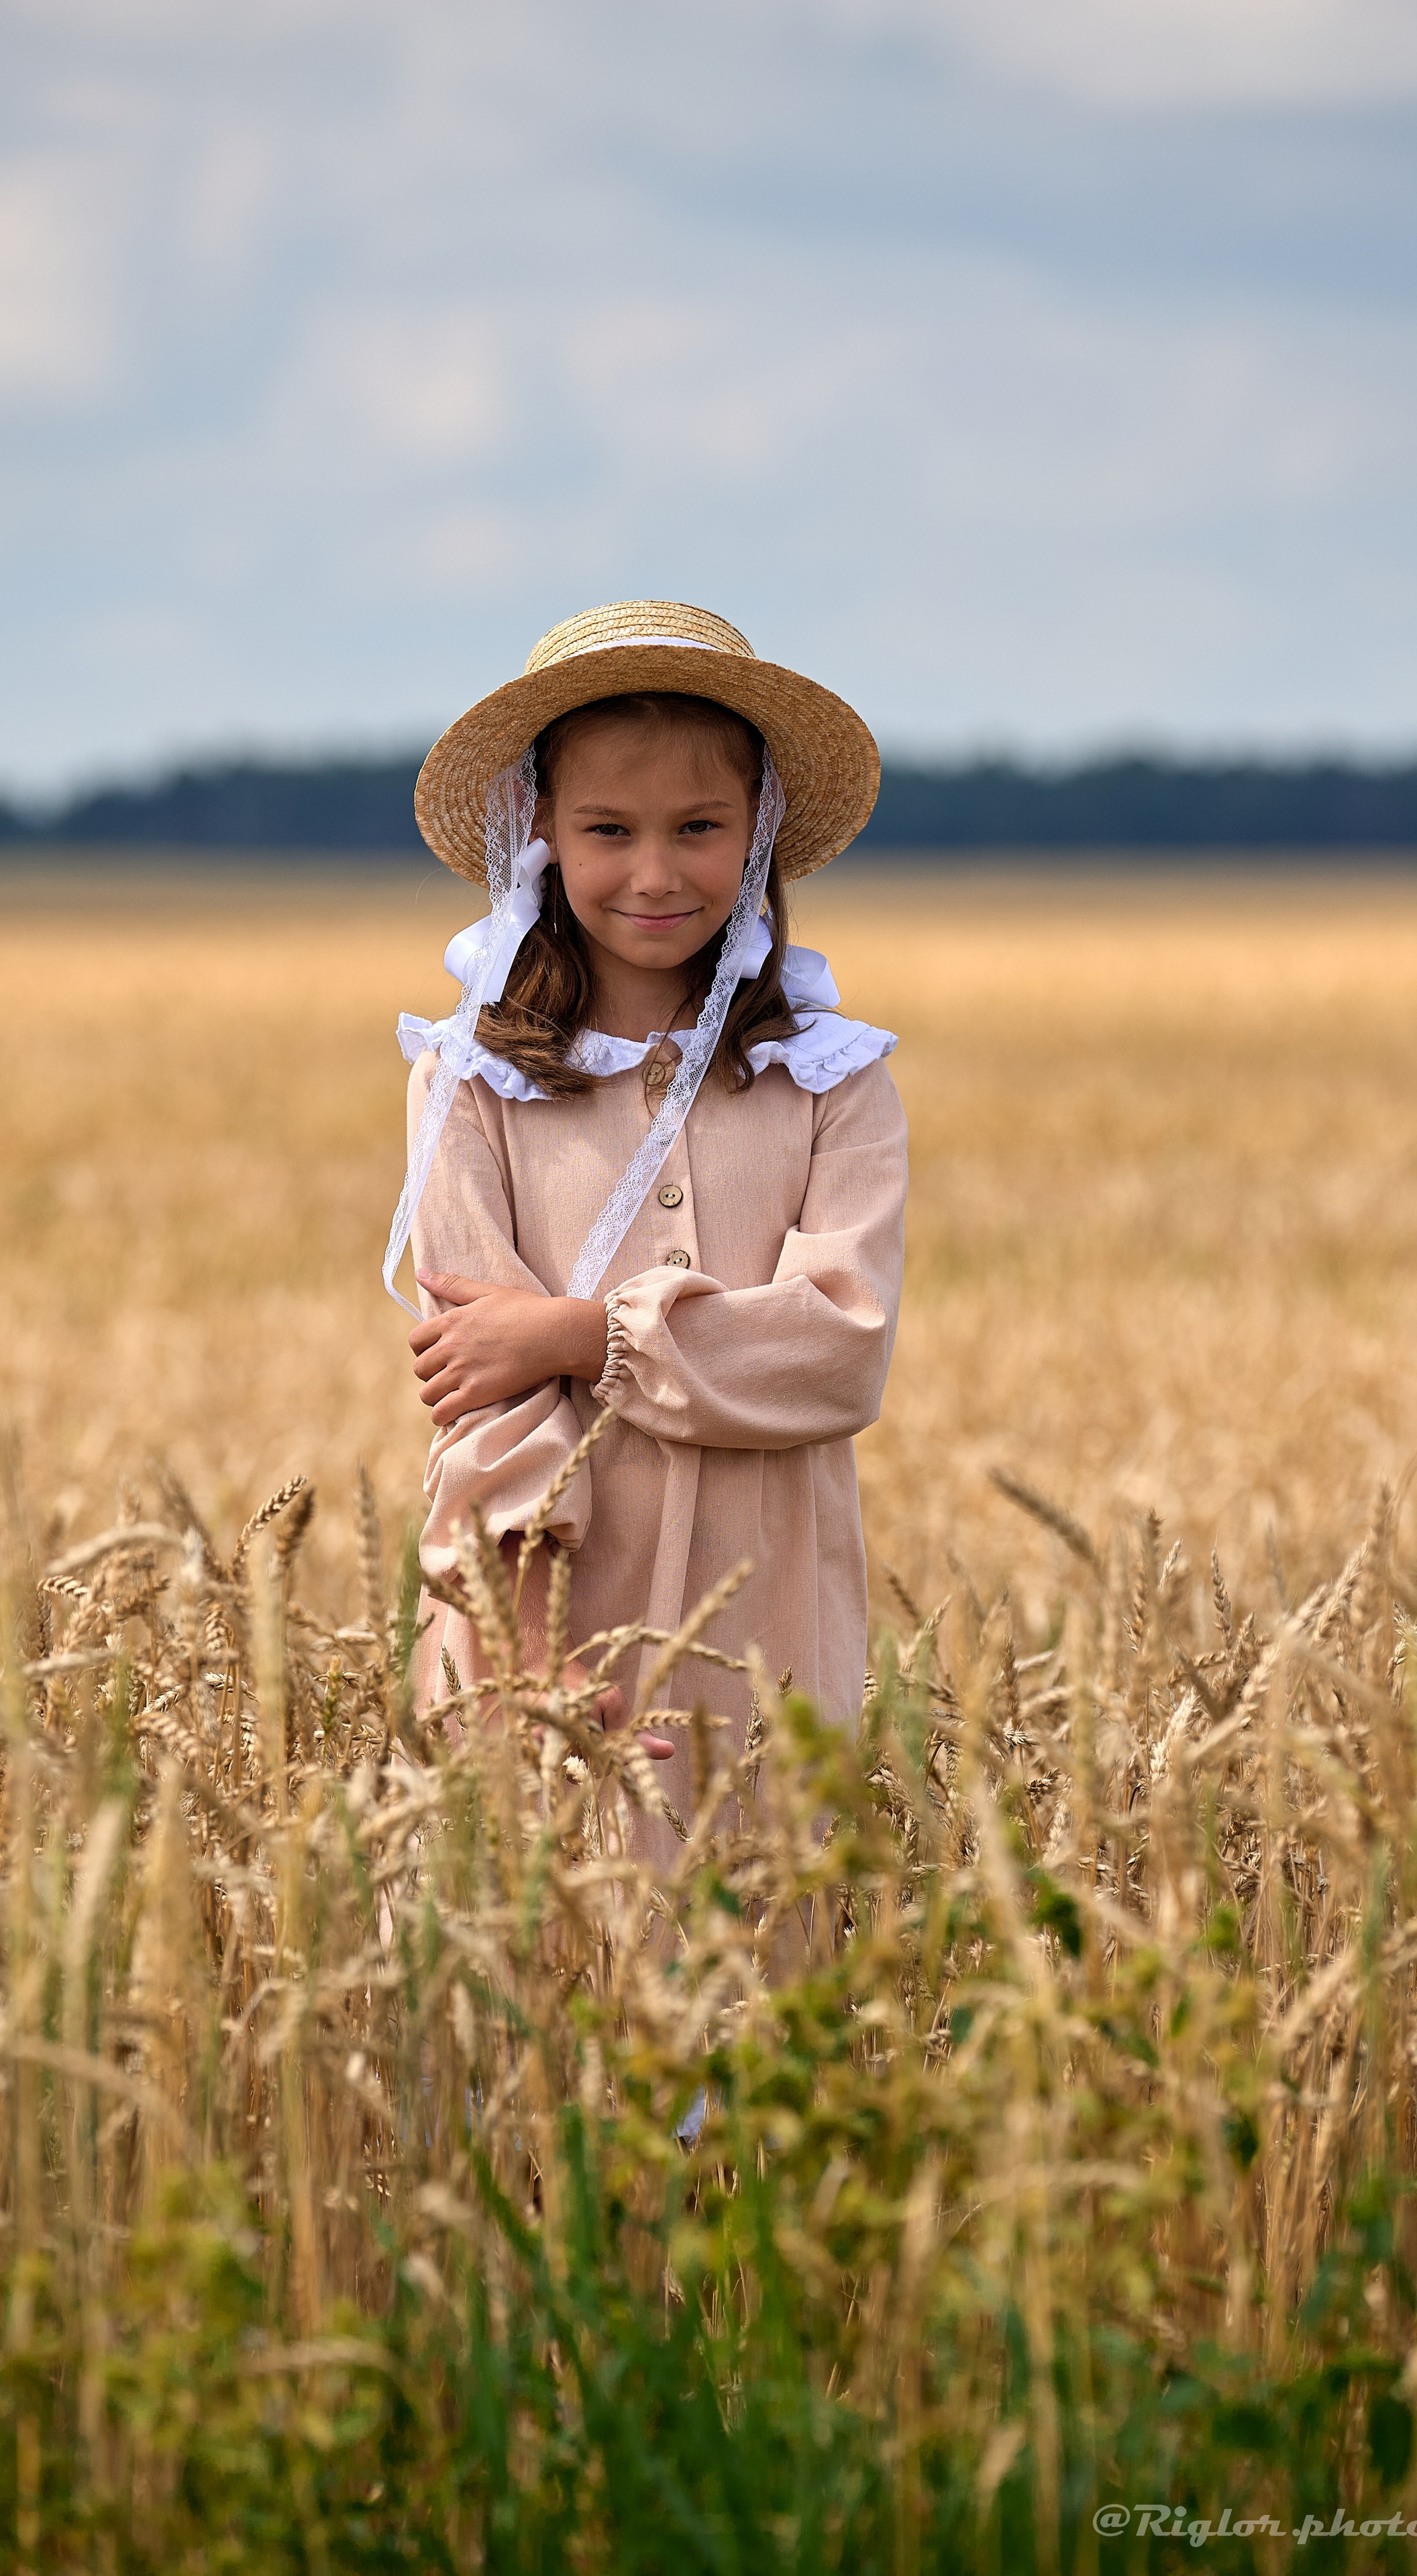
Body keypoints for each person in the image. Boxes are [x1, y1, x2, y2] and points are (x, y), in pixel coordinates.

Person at [386, 600, 907, 1847]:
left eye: (700, 829)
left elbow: (838, 1348)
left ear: (760, 831)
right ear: (541, 833)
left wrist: (577, 1335)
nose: (657, 873)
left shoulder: (833, 1077)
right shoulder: (469, 1079)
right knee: (533, 1982)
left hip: (763, 1628)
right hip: (541, 1634)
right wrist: (538, 1664)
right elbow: (479, 1386)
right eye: (608, 830)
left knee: (759, 1981)